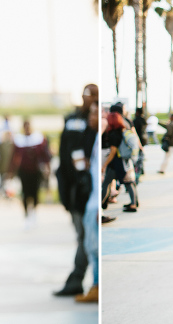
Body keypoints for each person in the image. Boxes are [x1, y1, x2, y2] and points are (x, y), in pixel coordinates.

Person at [54, 84, 98, 297]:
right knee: (81, 234)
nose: (88, 98)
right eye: (87, 94)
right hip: (71, 186)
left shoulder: (95, 123)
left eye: (93, 95)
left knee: (85, 236)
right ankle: (79, 278)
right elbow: (65, 152)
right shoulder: (73, 119)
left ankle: (77, 278)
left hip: (85, 189)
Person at [76, 99, 101, 303]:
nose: (90, 117)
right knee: (91, 247)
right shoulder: (92, 138)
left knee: (94, 248)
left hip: (95, 204)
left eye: (94, 114)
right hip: (91, 201)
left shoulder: (99, 140)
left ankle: (97, 286)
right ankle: (95, 285)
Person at [10, 117, 53, 227]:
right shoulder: (18, 140)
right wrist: (10, 171)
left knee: (35, 193)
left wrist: (47, 168)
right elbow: (14, 156)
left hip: (35, 171)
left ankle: (33, 211)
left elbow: (45, 154)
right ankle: (26, 214)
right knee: (25, 193)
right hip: (24, 171)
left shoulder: (38, 138)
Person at [102, 111, 139, 213]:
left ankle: (102, 203)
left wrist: (104, 165)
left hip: (117, 162)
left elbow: (113, 151)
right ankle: (134, 203)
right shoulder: (122, 130)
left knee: (108, 183)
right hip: (123, 161)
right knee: (128, 182)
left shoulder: (114, 134)